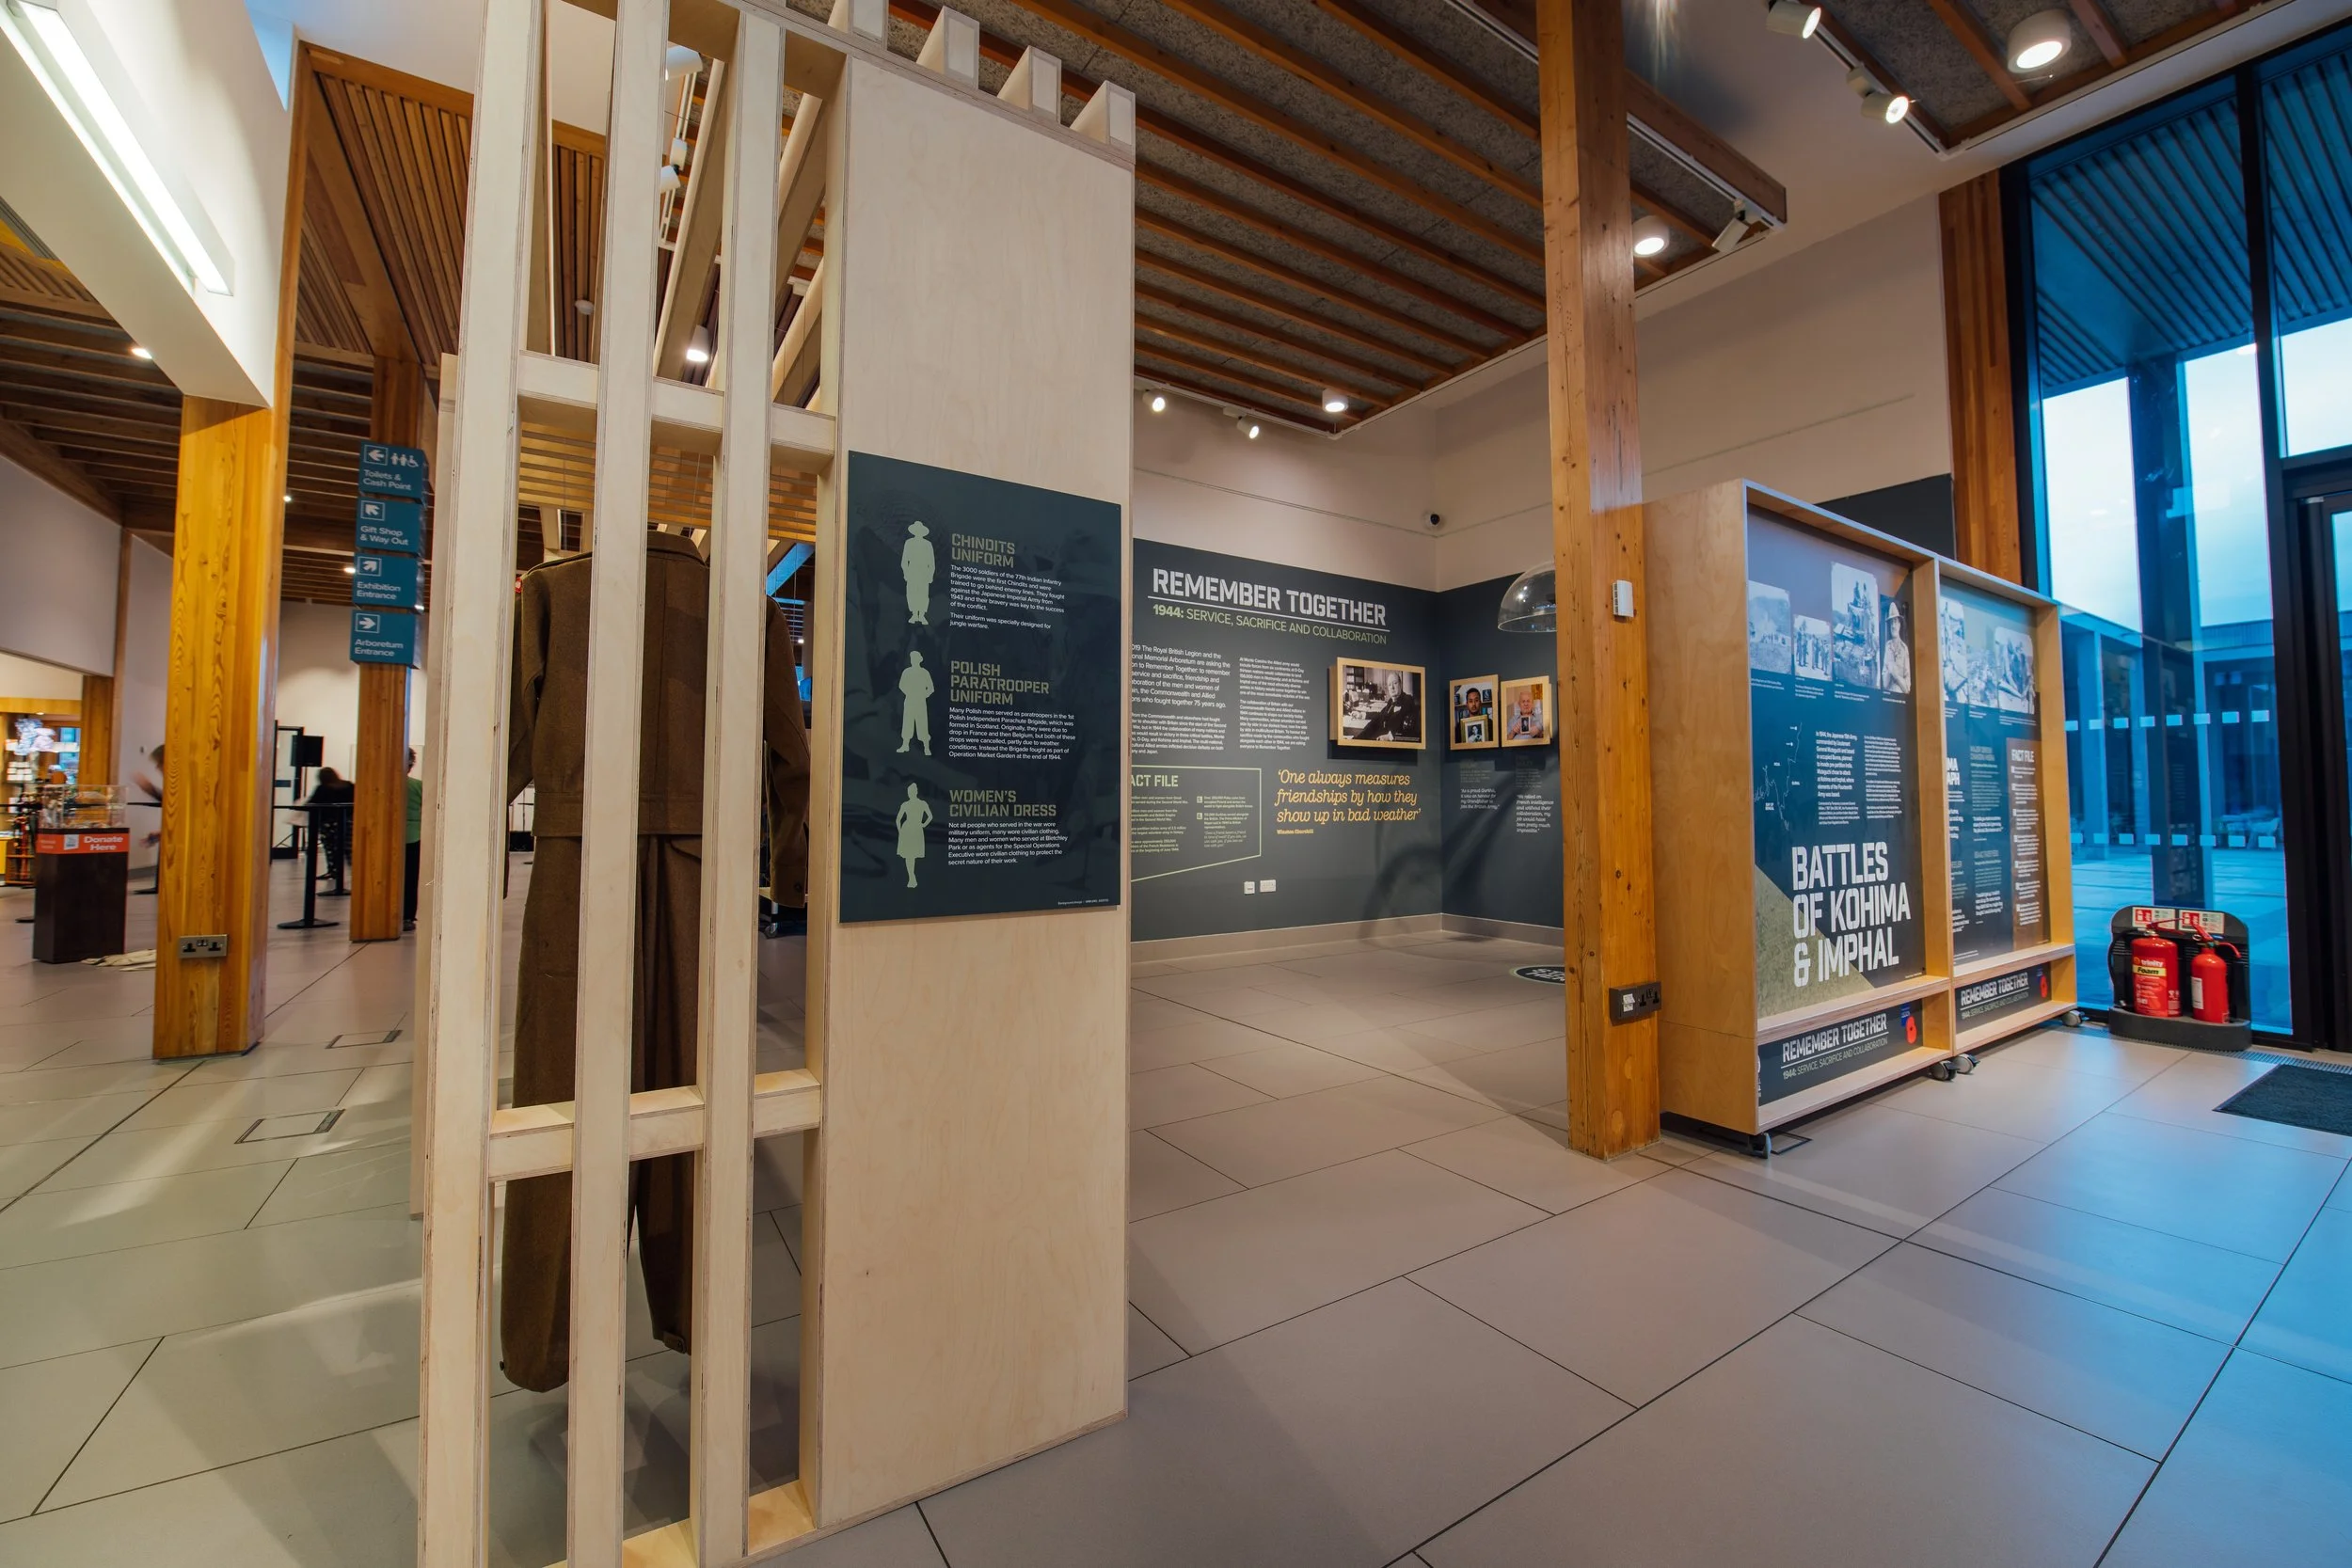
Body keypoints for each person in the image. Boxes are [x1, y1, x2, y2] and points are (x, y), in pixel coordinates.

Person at [307, 766, 355, 894]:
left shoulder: (323, 789)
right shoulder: (349, 786)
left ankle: (334, 871)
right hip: (348, 821)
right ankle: (353, 871)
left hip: (328, 823)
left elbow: (312, 803)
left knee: (331, 849)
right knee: (348, 849)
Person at [895, 782, 931, 888]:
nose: (910, 793)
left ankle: (912, 877)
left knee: (911, 856)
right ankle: (912, 878)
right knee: (910, 855)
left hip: (911, 829)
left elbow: (898, 820)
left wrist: (900, 830)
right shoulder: (914, 804)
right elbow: (898, 819)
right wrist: (923, 824)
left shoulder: (911, 804)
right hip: (912, 829)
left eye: (910, 791)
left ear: (914, 792)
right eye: (909, 791)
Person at [403, 747, 423, 931]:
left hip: (395, 836)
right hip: (414, 835)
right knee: (410, 878)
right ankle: (407, 916)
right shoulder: (417, 786)